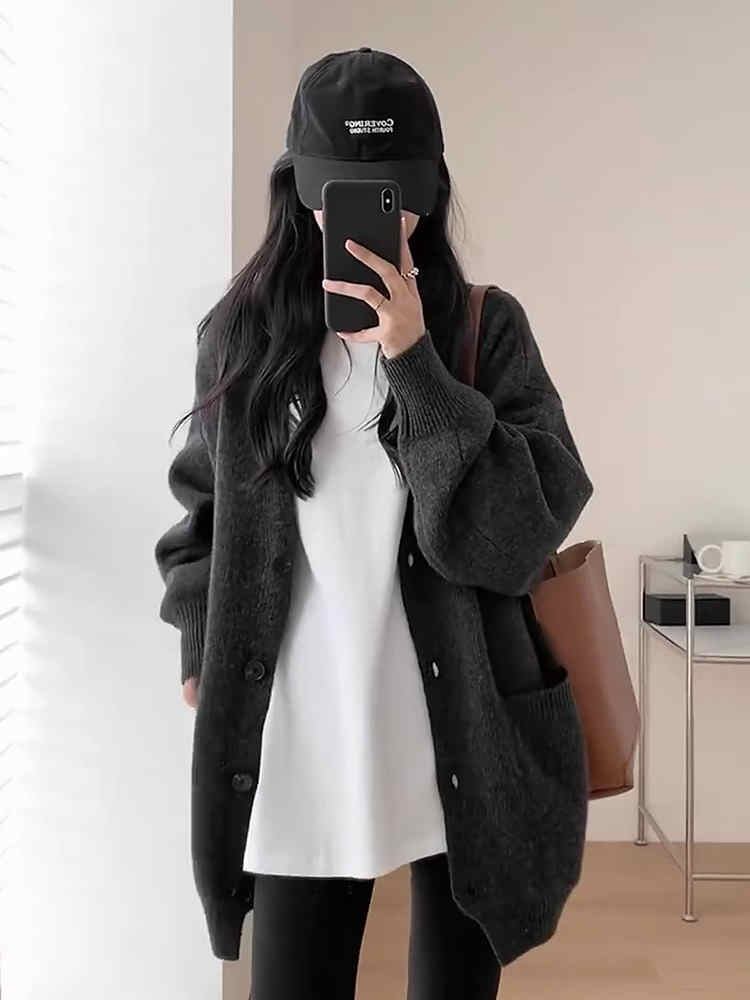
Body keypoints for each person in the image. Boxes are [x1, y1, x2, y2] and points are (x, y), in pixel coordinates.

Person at [154, 47, 594, 1000]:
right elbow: (201, 513)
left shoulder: (484, 329)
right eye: (341, 197)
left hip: (462, 725)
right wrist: (198, 637)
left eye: (391, 198)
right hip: (304, 729)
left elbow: (520, 534)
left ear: (427, 194)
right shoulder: (241, 337)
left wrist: (415, 362)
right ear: (300, 193)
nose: (367, 221)